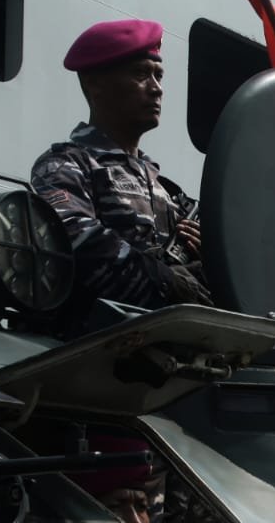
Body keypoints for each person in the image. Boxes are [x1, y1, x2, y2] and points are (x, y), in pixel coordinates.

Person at [31, 19, 213, 313]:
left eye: (159, 76)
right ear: (94, 83)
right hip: (98, 335)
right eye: (141, 74)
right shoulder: (66, 166)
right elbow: (75, 239)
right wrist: (166, 282)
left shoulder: (168, 192)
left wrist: (210, 259)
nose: (156, 89)